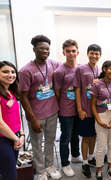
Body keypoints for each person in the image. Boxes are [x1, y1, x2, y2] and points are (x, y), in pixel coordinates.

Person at [19, 35, 62, 180]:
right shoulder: (26, 70)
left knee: (50, 142)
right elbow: (23, 97)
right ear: (34, 49)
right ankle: (41, 171)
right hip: (36, 115)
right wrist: (32, 119)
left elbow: (69, 69)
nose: (45, 51)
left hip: (52, 112)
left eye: (47, 48)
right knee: (37, 145)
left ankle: (50, 166)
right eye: (41, 48)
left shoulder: (53, 64)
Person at [53, 39, 82, 177]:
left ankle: (75, 155)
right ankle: (65, 163)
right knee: (65, 137)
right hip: (66, 110)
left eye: (73, 51)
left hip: (79, 109)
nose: (71, 53)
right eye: (68, 51)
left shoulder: (81, 68)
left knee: (76, 134)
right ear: (63, 52)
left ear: (77, 52)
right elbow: (57, 93)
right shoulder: (60, 71)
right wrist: (63, 105)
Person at [73, 44, 102, 178]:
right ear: (87, 54)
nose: (94, 56)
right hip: (85, 109)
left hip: (97, 110)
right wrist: (79, 109)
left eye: (97, 54)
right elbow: (77, 89)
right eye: (92, 53)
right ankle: (84, 163)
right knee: (85, 137)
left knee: (94, 135)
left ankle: (91, 157)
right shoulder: (80, 69)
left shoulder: (101, 70)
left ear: (100, 56)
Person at [90, 60, 111, 180]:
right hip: (102, 116)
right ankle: (99, 169)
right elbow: (92, 105)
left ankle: (110, 166)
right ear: (104, 69)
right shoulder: (97, 85)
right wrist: (98, 120)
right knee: (102, 145)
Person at [0, 61, 24, 180]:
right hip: (2, 139)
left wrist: (22, 134)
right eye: (5, 71)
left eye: (13, 72)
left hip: (14, 137)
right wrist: (16, 139)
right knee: (10, 175)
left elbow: (16, 115)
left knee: (8, 172)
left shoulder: (10, 92)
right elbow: (0, 124)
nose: (10, 74)